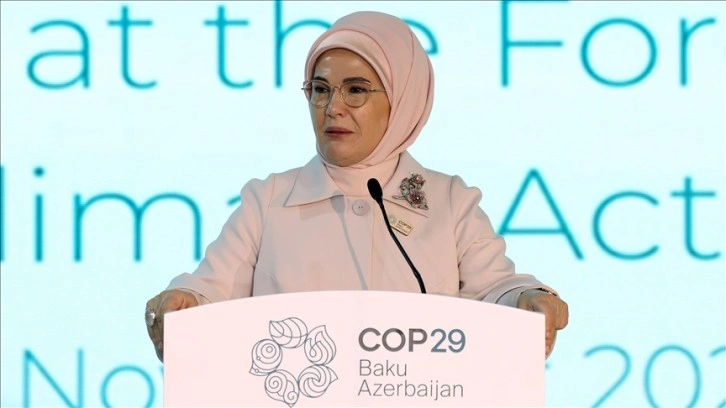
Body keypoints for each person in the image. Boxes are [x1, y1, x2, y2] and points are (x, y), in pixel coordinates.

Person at [145, 10, 568, 362]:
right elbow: (211, 292)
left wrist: (527, 300)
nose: (333, 107)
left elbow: (494, 293)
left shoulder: (450, 202)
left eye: (356, 90)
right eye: (320, 89)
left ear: (402, 97)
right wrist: (184, 302)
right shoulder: (268, 200)